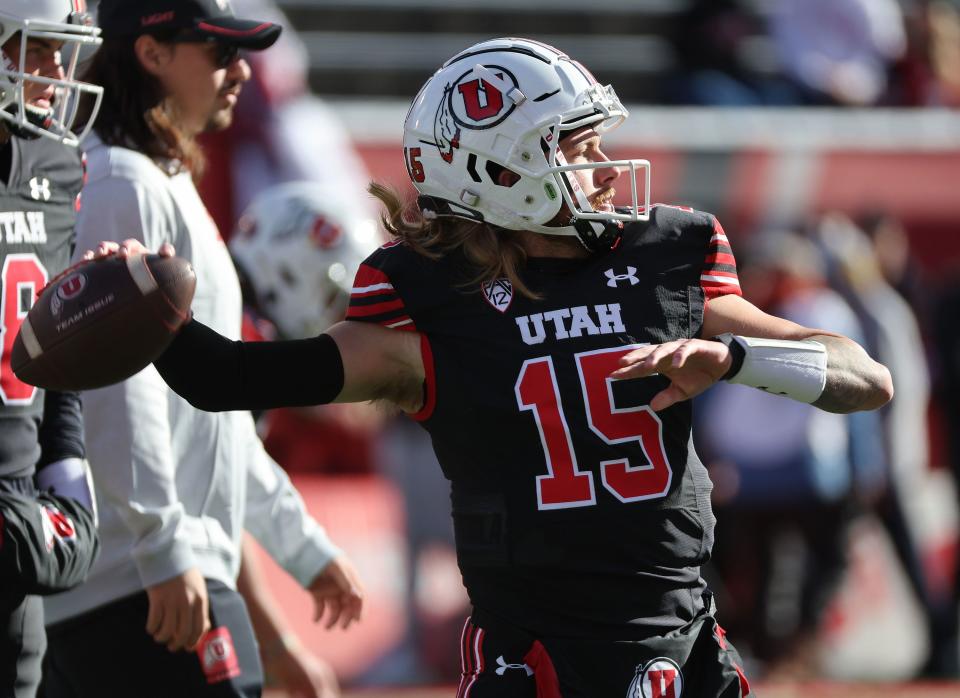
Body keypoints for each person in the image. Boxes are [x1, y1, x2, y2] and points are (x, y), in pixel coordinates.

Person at [89, 38, 893, 698]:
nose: (609, 169)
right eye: (578, 150)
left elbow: (863, 376)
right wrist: (145, 310)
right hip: (536, 659)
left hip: (683, 642)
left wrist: (739, 357)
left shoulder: (660, 260)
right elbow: (233, 381)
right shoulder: (428, 306)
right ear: (498, 170)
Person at [41, 3, 363, 698]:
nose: (241, 71)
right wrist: (161, 548)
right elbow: (112, 385)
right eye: (218, 53)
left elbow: (215, 414)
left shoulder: (159, 179)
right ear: (152, 53)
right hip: (136, 581)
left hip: (162, 570)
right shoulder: (121, 181)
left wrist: (303, 549)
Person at [0, 1, 104, 695]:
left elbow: (50, 340)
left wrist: (66, 464)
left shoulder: (57, 162)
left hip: (13, 510)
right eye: (35, 49)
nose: (55, 72)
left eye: (62, 51)